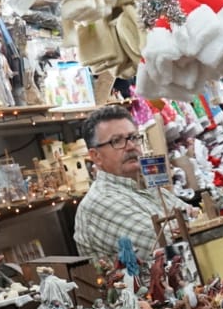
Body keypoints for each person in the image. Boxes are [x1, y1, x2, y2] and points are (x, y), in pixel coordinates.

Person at [74, 106, 180, 269]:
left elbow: (198, 219)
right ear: (96, 156)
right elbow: (170, 247)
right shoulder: (101, 202)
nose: (131, 146)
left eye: (134, 137)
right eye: (117, 141)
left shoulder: (145, 185)